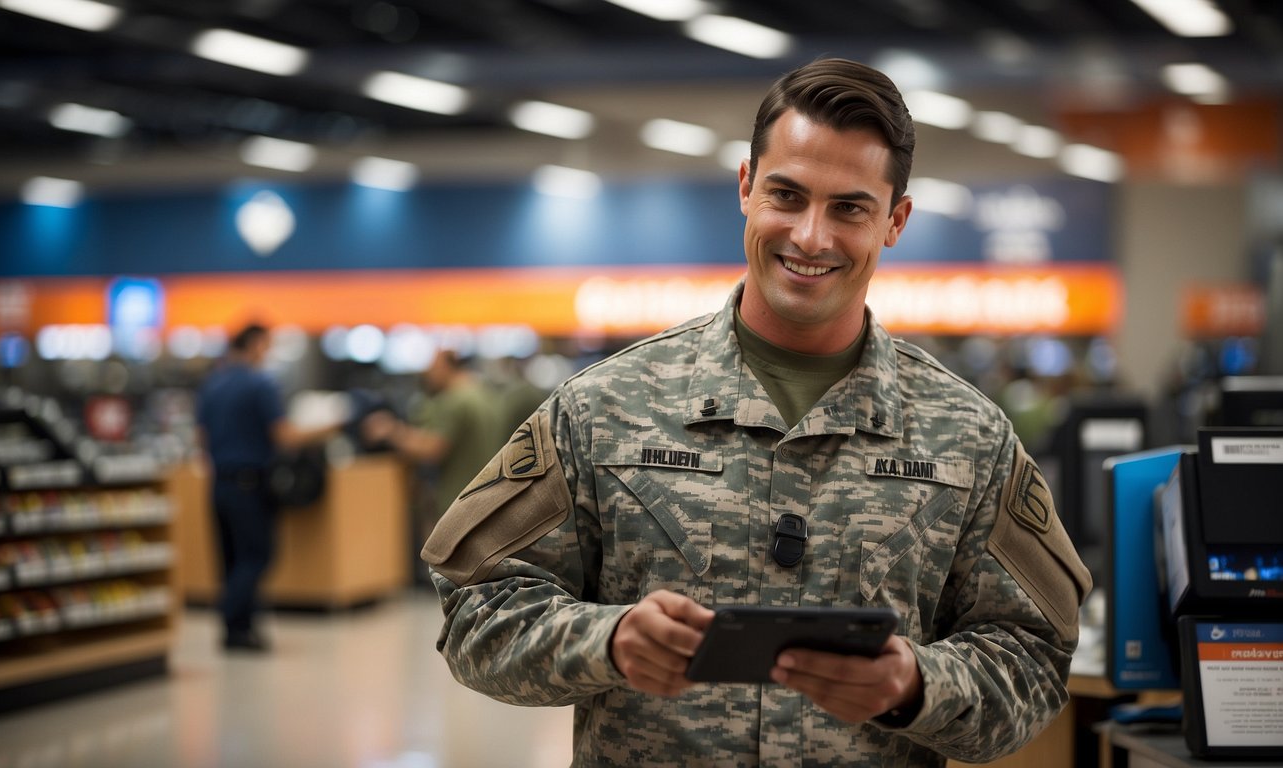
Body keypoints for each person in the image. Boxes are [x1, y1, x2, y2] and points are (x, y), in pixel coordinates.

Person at [420, 58, 1093, 766]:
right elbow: (477, 610)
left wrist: (915, 685)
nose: (810, 236)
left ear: (895, 221)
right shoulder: (602, 409)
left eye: (849, 208)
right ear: (746, 187)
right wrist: (608, 642)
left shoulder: (971, 438)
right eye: (787, 194)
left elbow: (1034, 658)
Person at [196, 323, 340, 651]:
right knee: (258, 556)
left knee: (230, 561)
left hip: (218, 483)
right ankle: (230, 616)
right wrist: (331, 426)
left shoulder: (213, 384)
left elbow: (201, 437)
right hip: (250, 485)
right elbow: (284, 436)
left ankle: (238, 631)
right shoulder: (260, 384)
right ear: (256, 344)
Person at [362, 348, 502, 548]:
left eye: (432, 368)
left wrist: (391, 431)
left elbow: (431, 449)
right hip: (488, 494)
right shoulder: (484, 394)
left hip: (460, 499)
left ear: (446, 367)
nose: (427, 375)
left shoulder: (456, 400)